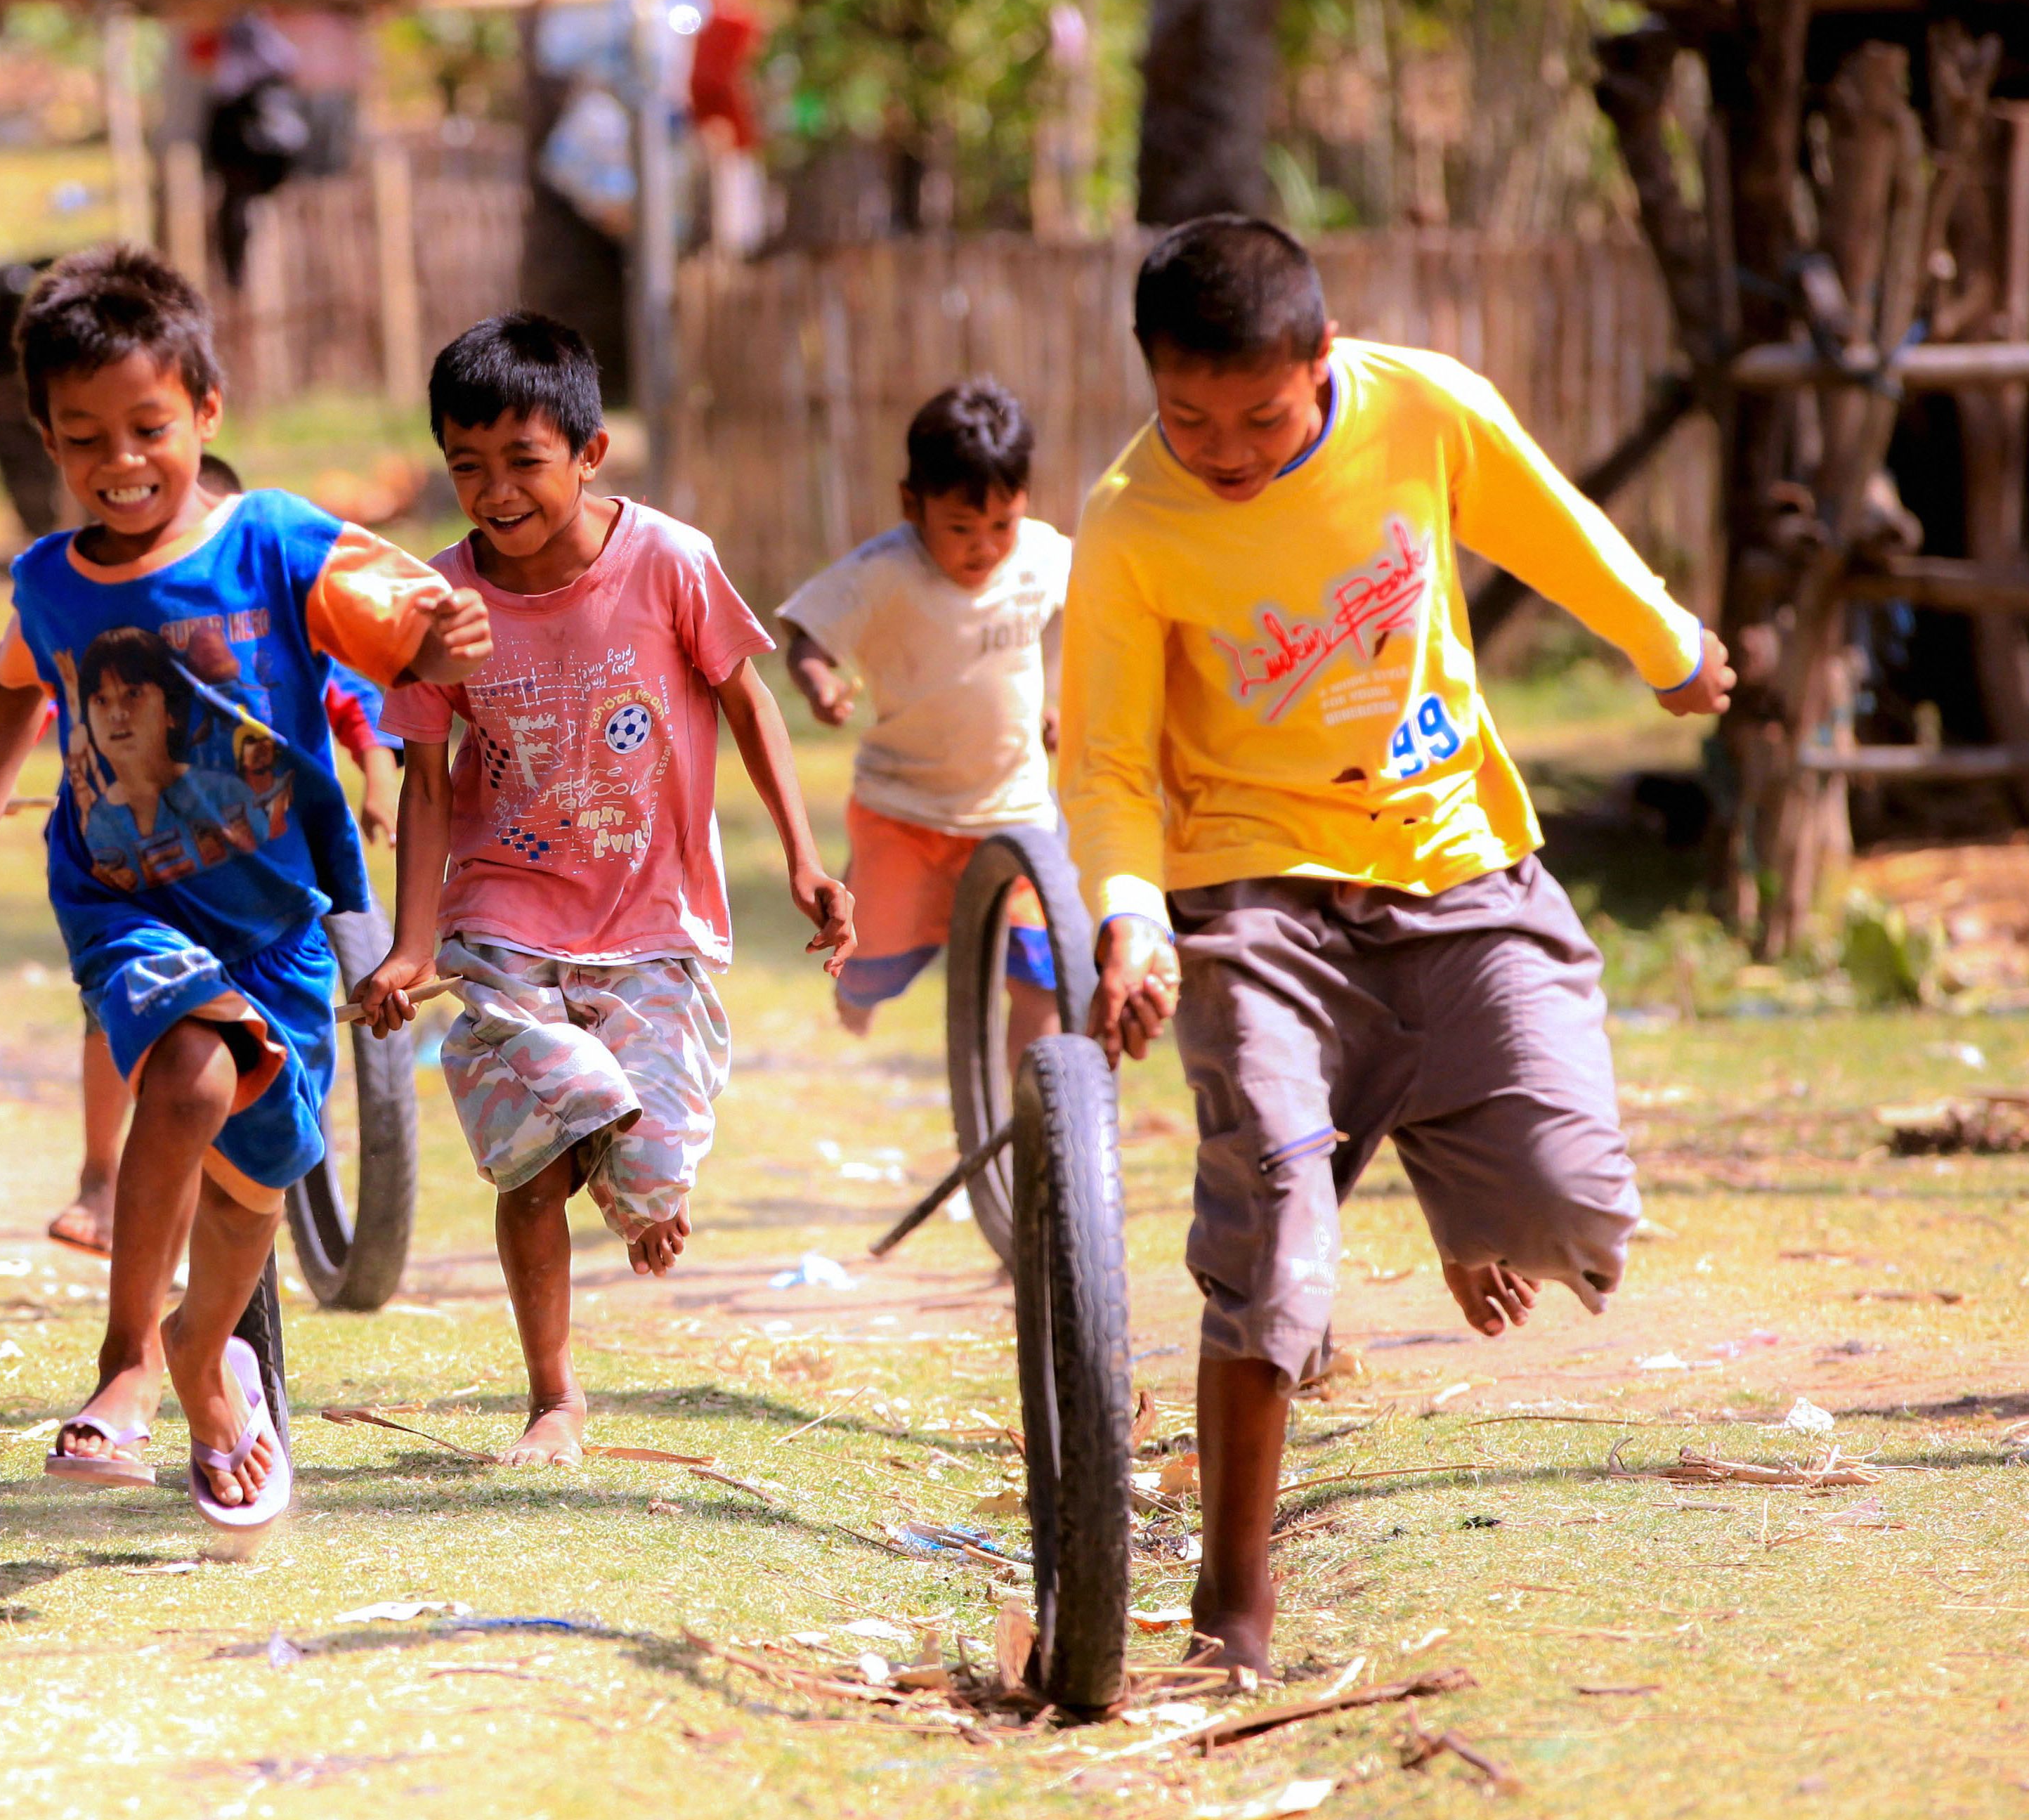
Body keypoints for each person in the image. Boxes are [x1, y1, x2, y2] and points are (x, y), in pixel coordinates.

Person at [1062, 216, 1735, 1675]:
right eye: (1188, 418)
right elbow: (1107, 762)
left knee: (1569, 1217)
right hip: (1251, 887)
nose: (1224, 450)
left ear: (1321, 362)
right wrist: (1127, 917)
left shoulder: (1421, 405)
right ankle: (1232, 1608)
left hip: (1451, 854)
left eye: (1258, 416)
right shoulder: (1129, 521)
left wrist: (1667, 642)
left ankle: (1453, 1161)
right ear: (1149, 383)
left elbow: (1553, 525)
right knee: (1274, 1248)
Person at [0, 245, 489, 1527]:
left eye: (147, 428)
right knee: (184, 1071)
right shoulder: (49, 586)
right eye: (83, 440)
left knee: (255, 1182)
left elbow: (407, 616)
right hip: (125, 900)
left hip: (279, 919)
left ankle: (200, 1353)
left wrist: (440, 635)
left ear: (205, 413)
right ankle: (127, 1363)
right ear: (44, 444)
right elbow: (17, 683)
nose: (120, 461)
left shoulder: (272, 540)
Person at [355, 312, 856, 1467]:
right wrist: (410, 943)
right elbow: (423, 781)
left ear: (587, 454)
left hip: (651, 919)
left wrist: (800, 855)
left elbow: (747, 699)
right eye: (464, 467)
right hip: (504, 914)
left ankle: (644, 1182)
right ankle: (554, 1398)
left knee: (647, 1151)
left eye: (520, 462)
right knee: (549, 1138)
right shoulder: (439, 604)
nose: (494, 492)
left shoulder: (668, 561)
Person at [40, 452, 409, 1257]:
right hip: (148, 882)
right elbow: (53, 693)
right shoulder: (116, 627)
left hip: (259, 884)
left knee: (249, 1088)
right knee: (114, 1017)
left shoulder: (279, 604)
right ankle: (101, 1175)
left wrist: (379, 781)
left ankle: (213, 1213)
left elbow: (362, 708)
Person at [776, 379, 1069, 1064]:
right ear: (913, 506)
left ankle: (1033, 1121)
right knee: (873, 966)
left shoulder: (1041, 555)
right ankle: (856, 988)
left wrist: (1065, 705)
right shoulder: (883, 572)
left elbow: (1101, 610)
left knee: (1040, 980)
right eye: (960, 529)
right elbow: (807, 639)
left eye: (1002, 524)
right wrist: (820, 685)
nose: (985, 547)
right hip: (904, 811)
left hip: (1014, 808)